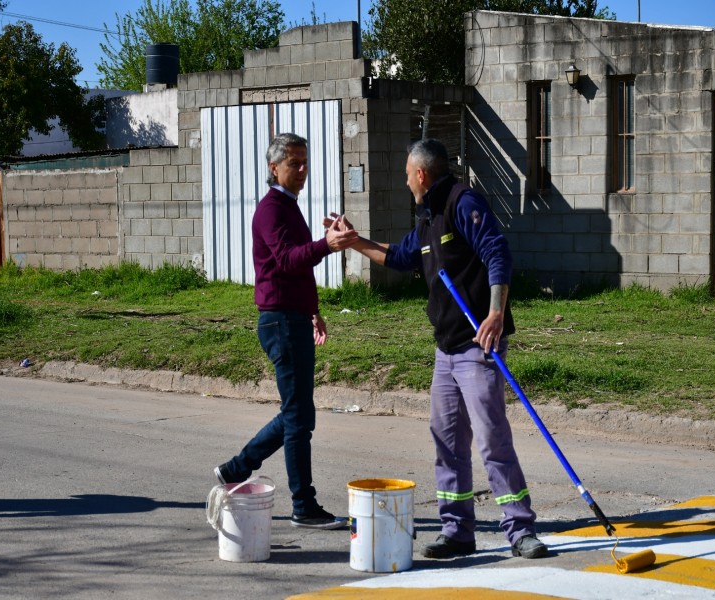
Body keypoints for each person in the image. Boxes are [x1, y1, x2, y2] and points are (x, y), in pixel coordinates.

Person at [329, 138, 547, 558]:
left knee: (492, 440)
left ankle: (520, 530)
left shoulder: (462, 204)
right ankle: (457, 531)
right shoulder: (428, 217)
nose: (405, 180)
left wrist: (496, 313)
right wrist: (354, 241)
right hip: (445, 351)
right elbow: (400, 256)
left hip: (477, 346)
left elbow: (498, 253)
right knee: (446, 441)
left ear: (421, 174)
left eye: (407, 173)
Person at [215, 132, 358, 530]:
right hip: (279, 321)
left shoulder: (289, 207)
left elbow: (296, 270)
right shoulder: (272, 210)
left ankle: (236, 469)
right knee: (298, 417)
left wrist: (313, 312)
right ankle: (303, 505)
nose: (301, 170)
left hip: (291, 317)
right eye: (294, 163)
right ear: (273, 167)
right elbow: (288, 260)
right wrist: (327, 245)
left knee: (298, 414)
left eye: (305, 163)